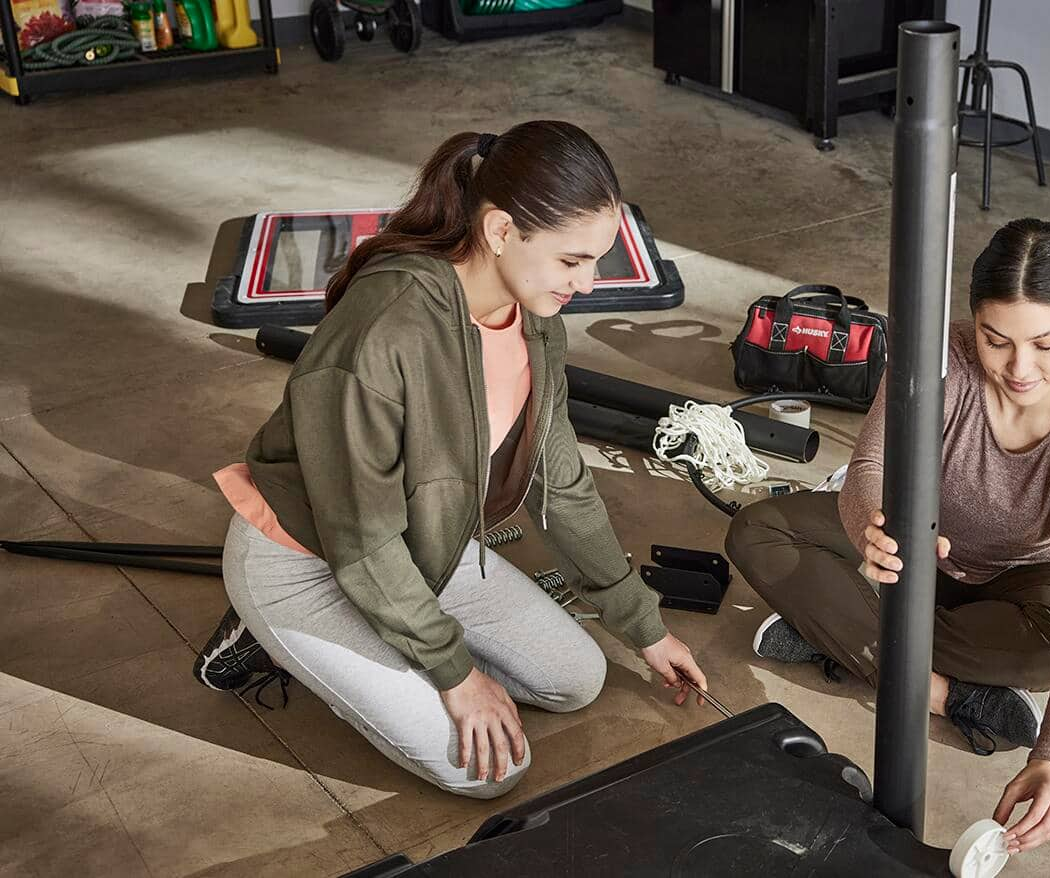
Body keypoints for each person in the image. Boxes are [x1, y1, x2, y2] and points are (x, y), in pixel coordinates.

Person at [194, 121, 709, 799]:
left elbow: (563, 486)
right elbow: (361, 536)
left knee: (576, 681)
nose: (587, 285)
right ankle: (269, 631)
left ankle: (379, 638)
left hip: (425, 548)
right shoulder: (385, 330)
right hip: (309, 561)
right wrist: (456, 673)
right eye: (571, 261)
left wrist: (644, 628)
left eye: (595, 261)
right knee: (489, 771)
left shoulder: (535, 321)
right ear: (500, 231)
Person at [726, 218, 1050, 856]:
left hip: (1014, 586)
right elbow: (870, 468)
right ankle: (948, 694)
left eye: (1046, 344)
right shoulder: (940, 357)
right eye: (996, 339)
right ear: (973, 319)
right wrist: (873, 527)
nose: (1019, 368)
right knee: (759, 530)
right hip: (909, 558)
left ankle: (842, 637)